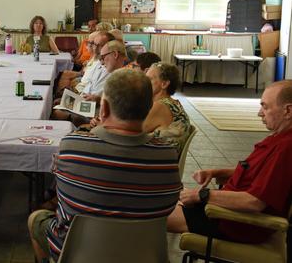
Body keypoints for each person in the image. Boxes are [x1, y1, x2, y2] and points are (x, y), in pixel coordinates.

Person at [29, 69, 181, 262]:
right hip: (143, 253)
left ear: (104, 109)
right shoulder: (167, 156)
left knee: (36, 219)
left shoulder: (72, 146)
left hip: (78, 252)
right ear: (149, 106)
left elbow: (61, 194)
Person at [167, 80, 292, 245]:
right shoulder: (279, 139)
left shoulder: (286, 148)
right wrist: (217, 173)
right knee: (164, 201)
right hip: (225, 209)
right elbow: (258, 174)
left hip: (234, 221)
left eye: (265, 107)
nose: (260, 113)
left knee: (150, 216)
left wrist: (201, 195)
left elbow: (254, 202)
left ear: (288, 111)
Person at [143, 63, 192, 155]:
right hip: (167, 158)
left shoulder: (160, 106)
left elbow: (133, 132)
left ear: (164, 84)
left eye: (149, 79)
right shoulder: (174, 103)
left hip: (159, 161)